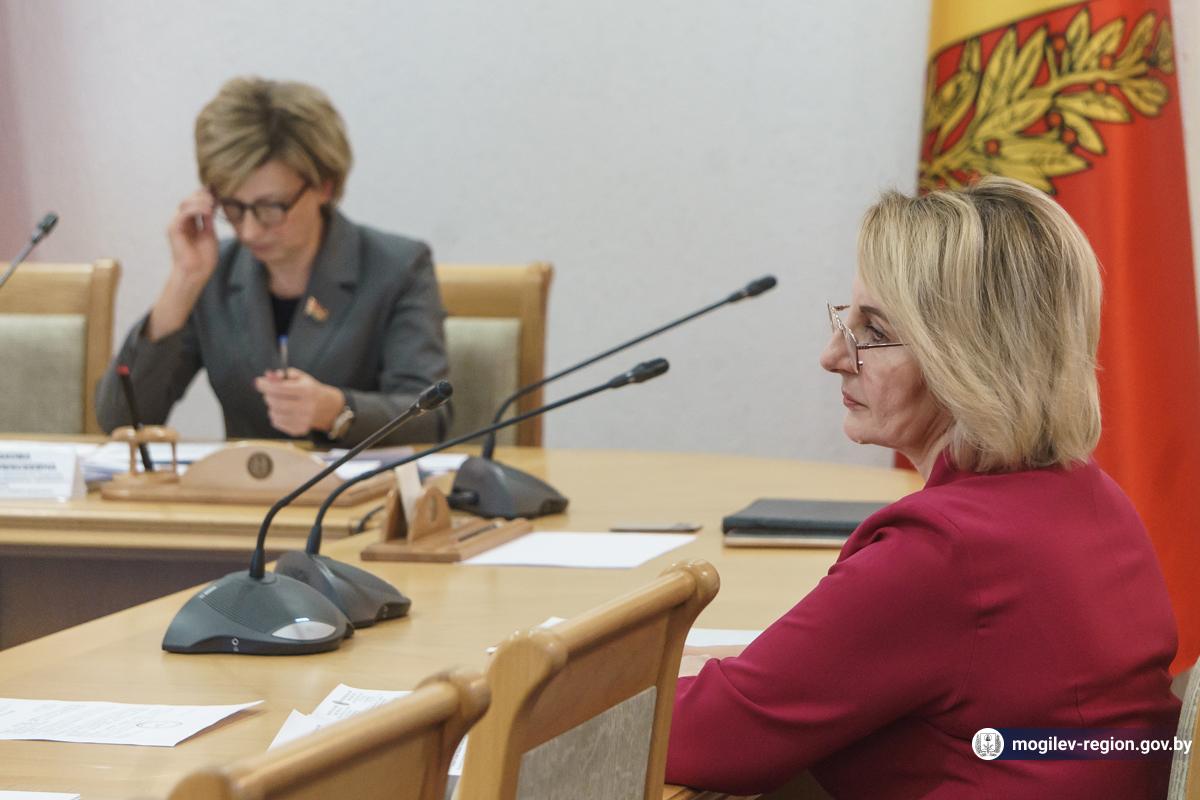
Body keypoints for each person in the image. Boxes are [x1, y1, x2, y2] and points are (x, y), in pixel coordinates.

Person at [665, 177, 1180, 798]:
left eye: (873, 331)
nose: (833, 356)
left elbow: (714, 737)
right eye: (845, 319)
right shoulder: (1091, 497)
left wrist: (576, 679)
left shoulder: (946, 551)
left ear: (967, 356)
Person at [96, 77, 449, 446]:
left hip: (356, 481)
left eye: (271, 207)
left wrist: (336, 411)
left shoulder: (397, 267)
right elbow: (119, 420)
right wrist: (184, 281)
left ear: (324, 186)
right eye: (233, 207)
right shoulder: (214, 273)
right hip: (241, 483)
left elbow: (433, 418)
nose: (249, 231)